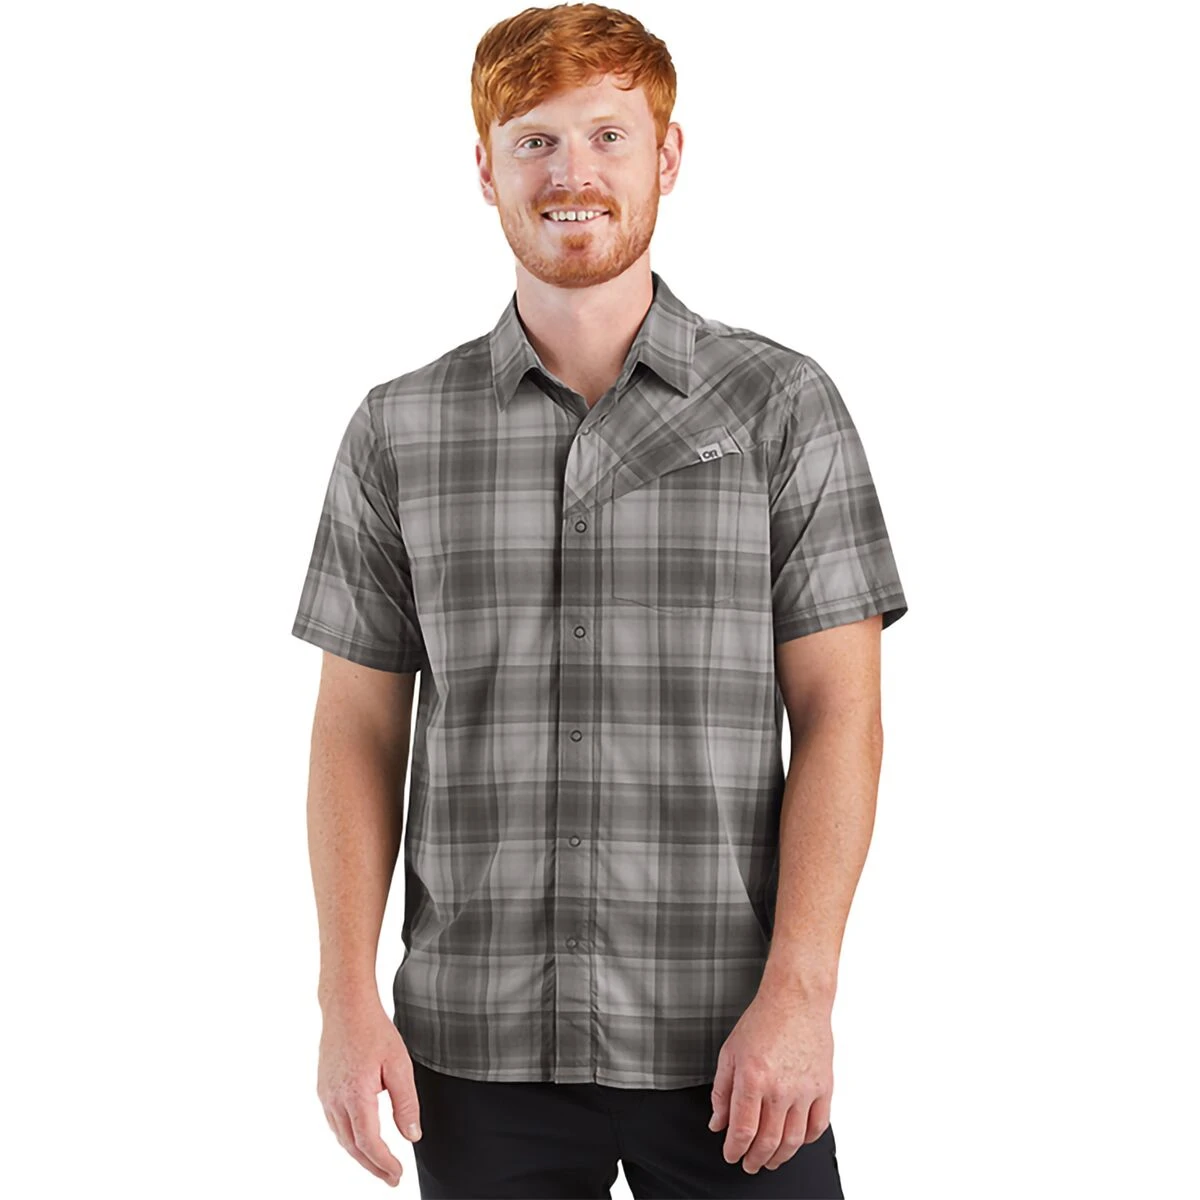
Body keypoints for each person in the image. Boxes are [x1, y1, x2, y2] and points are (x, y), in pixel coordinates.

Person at [291, 4, 908, 1196]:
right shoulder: (398, 431)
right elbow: (356, 728)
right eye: (534, 141)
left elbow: (843, 715)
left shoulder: (783, 407)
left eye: (607, 136)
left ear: (666, 155)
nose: (572, 173)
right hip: (475, 1046)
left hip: (732, 1046)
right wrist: (344, 999)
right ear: (486, 170)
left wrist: (802, 994)